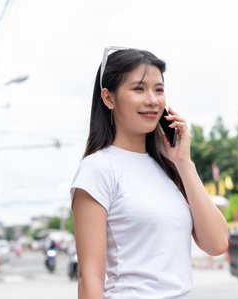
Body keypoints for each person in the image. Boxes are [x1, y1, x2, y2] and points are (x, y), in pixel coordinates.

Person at [70, 47, 229, 299]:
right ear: (109, 98)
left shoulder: (169, 168)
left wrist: (184, 162)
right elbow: (89, 277)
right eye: (139, 88)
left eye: (159, 89)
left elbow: (217, 244)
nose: (152, 100)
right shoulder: (98, 168)